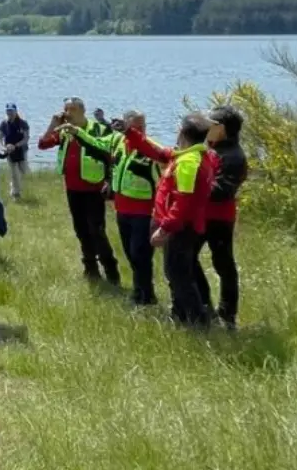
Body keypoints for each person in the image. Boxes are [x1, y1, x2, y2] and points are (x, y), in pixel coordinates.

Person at [127, 114, 218, 328]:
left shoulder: (188, 163)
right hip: (180, 226)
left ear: (183, 133)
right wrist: (130, 133)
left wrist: (165, 228)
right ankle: (180, 316)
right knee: (176, 272)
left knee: (179, 275)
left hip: (181, 229)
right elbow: (157, 152)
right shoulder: (188, 155)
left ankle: (197, 323)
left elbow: (183, 202)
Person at [69, 110, 161, 305]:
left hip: (144, 212)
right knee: (130, 253)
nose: (140, 130)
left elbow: (162, 176)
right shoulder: (117, 142)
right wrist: (77, 132)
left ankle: (144, 297)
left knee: (140, 253)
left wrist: (159, 214)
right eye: (136, 126)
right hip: (123, 210)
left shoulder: (150, 148)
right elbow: (96, 144)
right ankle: (142, 291)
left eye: (142, 126)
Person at [38, 96, 120, 284]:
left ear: (83, 111)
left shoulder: (98, 129)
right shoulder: (64, 131)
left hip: (94, 189)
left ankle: (111, 271)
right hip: (73, 189)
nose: (67, 113)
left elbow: (110, 157)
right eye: (65, 109)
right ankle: (90, 269)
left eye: (72, 109)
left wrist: (109, 182)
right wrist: (52, 124)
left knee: (97, 231)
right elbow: (42, 145)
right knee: (81, 230)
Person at [198, 105, 248, 328]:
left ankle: (227, 316)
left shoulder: (234, 157)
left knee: (223, 264)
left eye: (210, 123)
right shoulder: (211, 147)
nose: (205, 127)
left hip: (219, 218)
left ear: (221, 128)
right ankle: (204, 306)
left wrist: (191, 187)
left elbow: (221, 192)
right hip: (200, 214)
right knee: (185, 258)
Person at [0, 104, 31, 199]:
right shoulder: (4, 123)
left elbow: (26, 138)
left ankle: (16, 186)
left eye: (11, 110)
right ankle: (16, 193)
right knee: (14, 172)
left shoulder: (23, 123)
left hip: (21, 150)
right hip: (9, 151)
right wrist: (3, 147)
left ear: (16, 111)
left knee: (24, 171)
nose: (9, 113)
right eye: (8, 110)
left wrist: (16, 146)